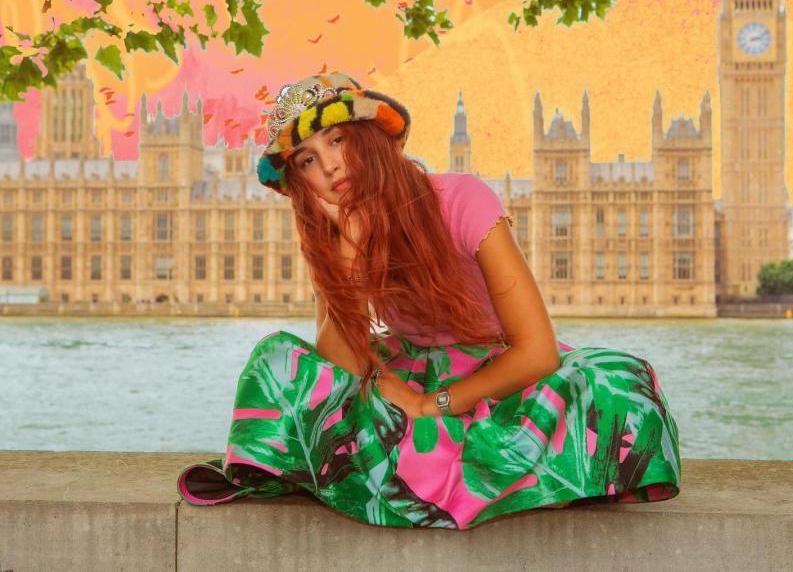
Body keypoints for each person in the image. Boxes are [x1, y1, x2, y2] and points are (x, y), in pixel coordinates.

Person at [177, 72, 680, 529]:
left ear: (372, 141)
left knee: (618, 382)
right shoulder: (332, 237)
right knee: (276, 360)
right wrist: (349, 255)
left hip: (503, 381)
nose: (329, 165)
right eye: (308, 159)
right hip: (411, 372)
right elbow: (335, 372)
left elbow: (538, 353)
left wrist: (427, 405)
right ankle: (496, 480)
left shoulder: (462, 199)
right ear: (300, 182)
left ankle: (390, 476)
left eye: (338, 140)